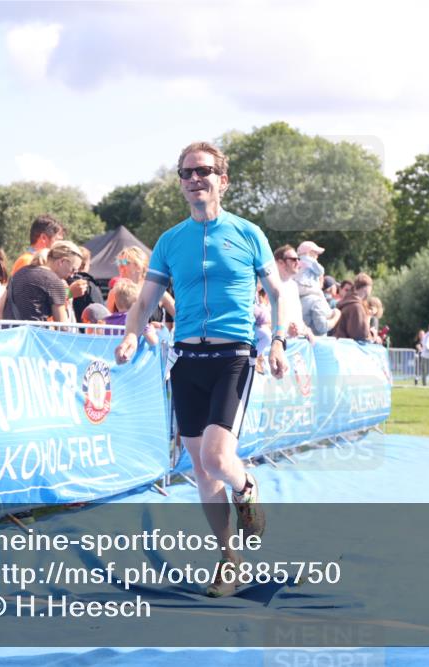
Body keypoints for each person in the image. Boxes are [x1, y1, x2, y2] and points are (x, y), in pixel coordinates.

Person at [114, 141, 288, 598]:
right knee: (203, 471)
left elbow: (278, 293)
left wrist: (280, 341)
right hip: (186, 360)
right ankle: (229, 560)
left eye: (204, 171)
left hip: (233, 356)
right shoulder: (171, 241)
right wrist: (132, 332)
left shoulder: (248, 234)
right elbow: (146, 300)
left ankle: (247, 486)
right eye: (186, 172)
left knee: (217, 457)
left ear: (222, 180)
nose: (195, 178)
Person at [0, 240, 83, 322]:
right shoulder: (54, 282)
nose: (72, 275)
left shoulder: (18, 274)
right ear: (62, 261)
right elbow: (63, 326)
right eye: (73, 270)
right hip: (36, 334)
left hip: (11, 333)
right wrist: (70, 294)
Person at [274, 244, 313, 340]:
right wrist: (286, 329)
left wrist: (306, 329)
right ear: (280, 262)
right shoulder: (269, 285)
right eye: (293, 259)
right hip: (277, 343)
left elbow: (297, 316)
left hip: (297, 341)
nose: (298, 262)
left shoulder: (293, 286)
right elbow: (263, 319)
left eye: (298, 259)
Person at [333, 273, 376, 341]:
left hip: (340, 345)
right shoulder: (356, 307)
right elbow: (361, 335)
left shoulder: (346, 302)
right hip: (348, 348)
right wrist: (373, 334)